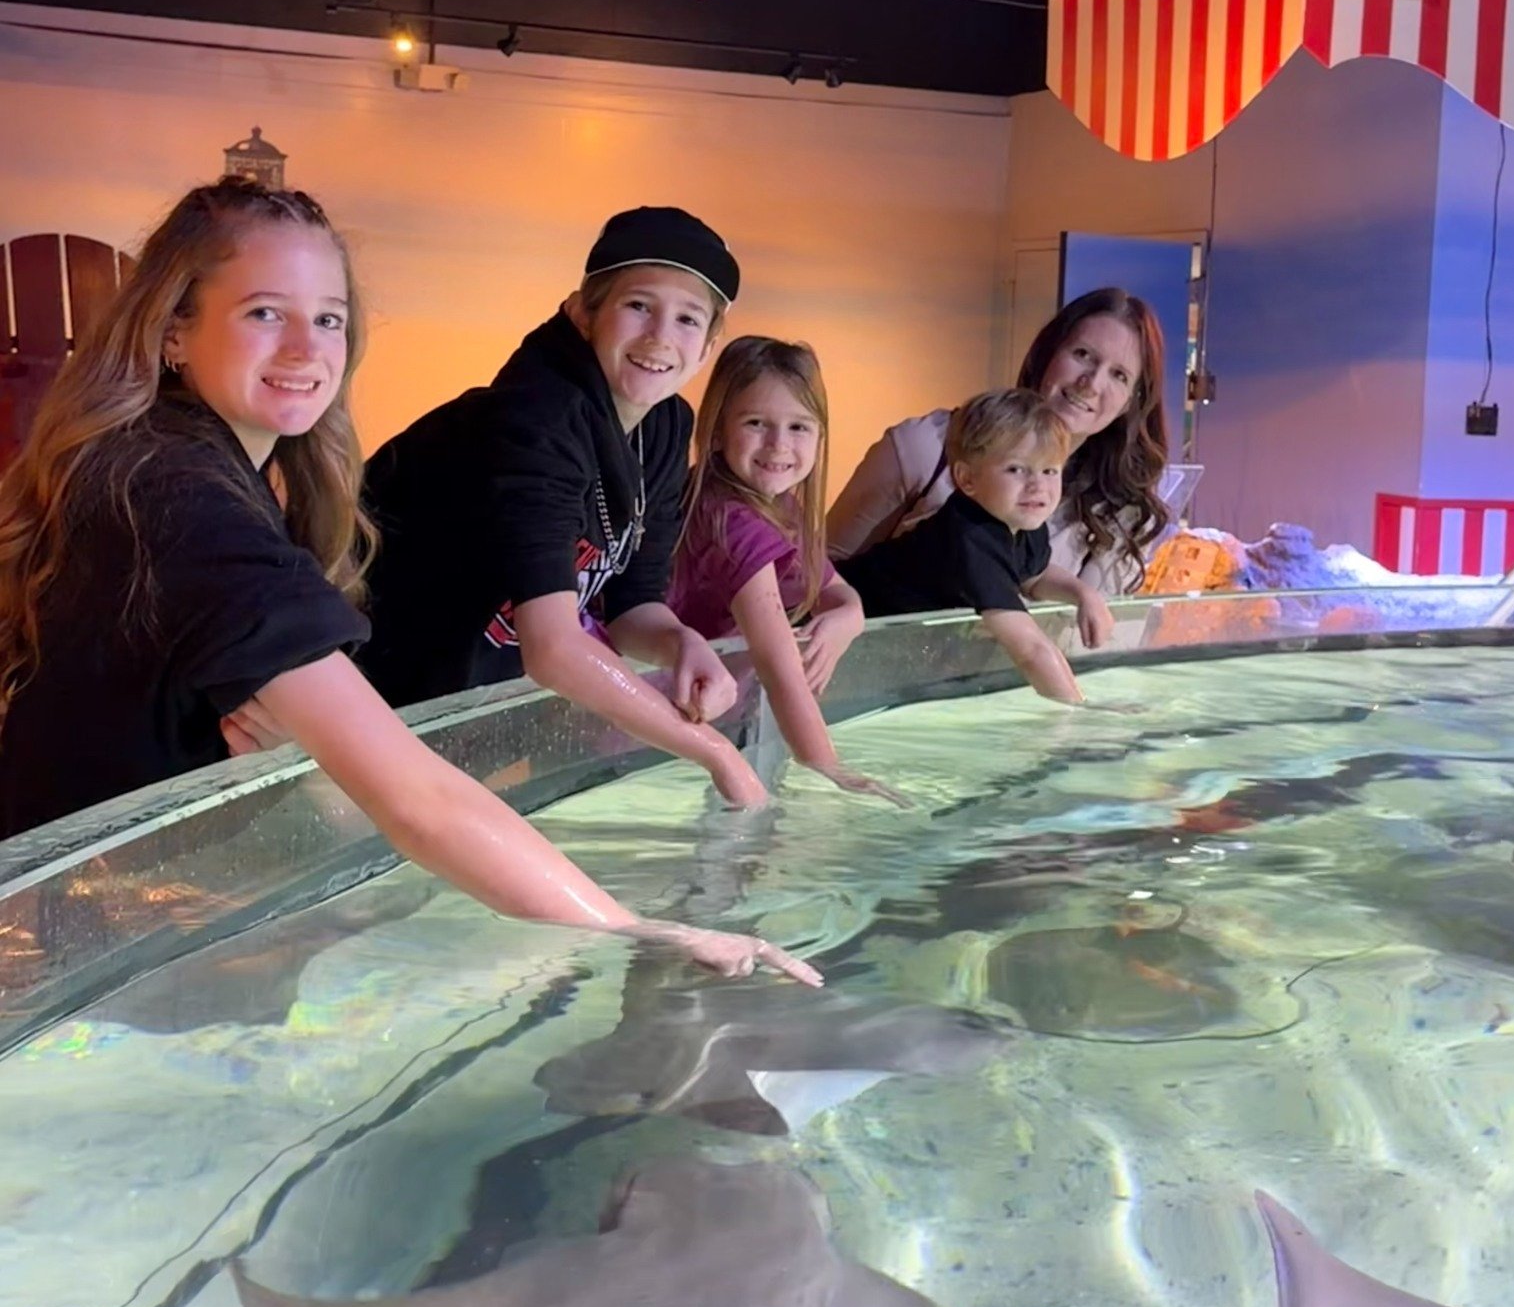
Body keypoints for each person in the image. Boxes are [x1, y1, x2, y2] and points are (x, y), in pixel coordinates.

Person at [0, 180, 816, 987]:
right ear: (174, 328)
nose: (306, 350)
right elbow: (421, 799)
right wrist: (643, 928)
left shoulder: (189, 459)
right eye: (264, 313)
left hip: (133, 885)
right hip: (74, 935)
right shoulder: (178, 495)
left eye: (328, 319)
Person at [360, 207, 769, 811]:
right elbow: (552, 649)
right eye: (638, 305)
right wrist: (715, 752)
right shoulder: (534, 418)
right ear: (582, 312)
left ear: (708, 346)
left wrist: (681, 643)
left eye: (687, 318)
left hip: (454, 712)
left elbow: (631, 604)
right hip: (360, 701)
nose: (660, 337)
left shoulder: (663, 427)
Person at [827, 287, 1170, 611]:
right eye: (1082, 355)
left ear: (1130, 402)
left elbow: (1097, 637)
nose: (1091, 383)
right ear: (1047, 354)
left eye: (1119, 375)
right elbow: (824, 571)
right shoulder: (925, 447)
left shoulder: (1124, 511)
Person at [668, 337, 904, 806]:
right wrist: (831, 770)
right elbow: (779, 668)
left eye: (799, 426)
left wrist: (847, 619)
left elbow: (837, 592)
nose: (778, 445)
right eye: (756, 423)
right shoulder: (729, 519)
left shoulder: (780, 506)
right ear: (717, 430)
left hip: (709, 719)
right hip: (665, 730)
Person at [839, 389, 1086, 702]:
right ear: (967, 479)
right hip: (851, 626)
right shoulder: (970, 538)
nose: (1038, 485)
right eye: (1016, 469)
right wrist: (1079, 710)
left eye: (1049, 470)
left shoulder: (1021, 519)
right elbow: (1030, 649)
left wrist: (1083, 596)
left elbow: (1034, 577)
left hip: (903, 648)